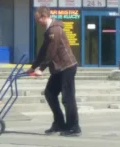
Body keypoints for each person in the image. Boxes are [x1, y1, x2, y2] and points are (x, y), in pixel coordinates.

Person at [27, 6, 81, 137]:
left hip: (67, 67)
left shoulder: (55, 30)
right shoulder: (48, 30)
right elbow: (43, 51)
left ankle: (74, 126)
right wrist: (33, 67)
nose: (37, 22)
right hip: (58, 68)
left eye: (37, 19)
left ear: (44, 16)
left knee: (68, 97)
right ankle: (59, 123)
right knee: (50, 93)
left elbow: (51, 51)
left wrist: (41, 69)